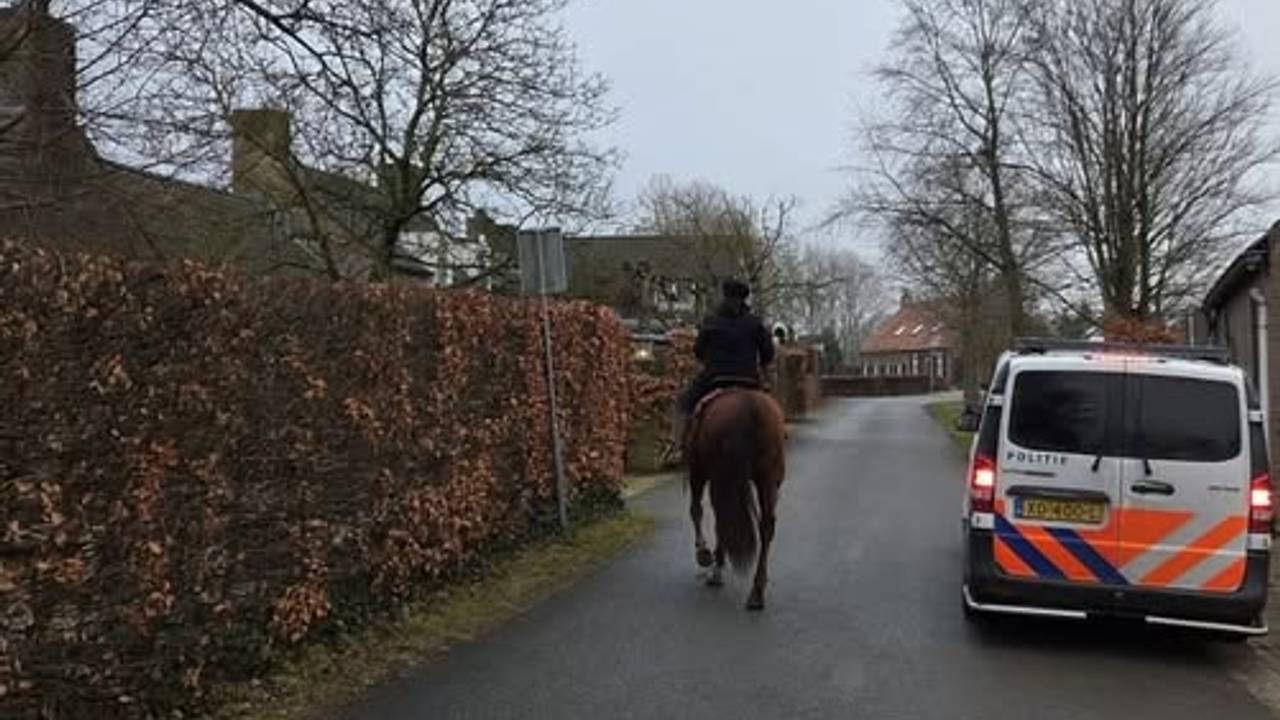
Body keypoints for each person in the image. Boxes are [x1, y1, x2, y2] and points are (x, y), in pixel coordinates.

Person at [665, 278, 776, 465]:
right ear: (744, 299)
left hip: (714, 378)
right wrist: (760, 366)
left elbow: (698, 351)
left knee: (682, 403)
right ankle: (778, 435)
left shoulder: (711, 321)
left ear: (725, 297)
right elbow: (768, 353)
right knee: (770, 407)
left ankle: (677, 448)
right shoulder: (755, 323)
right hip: (749, 379)